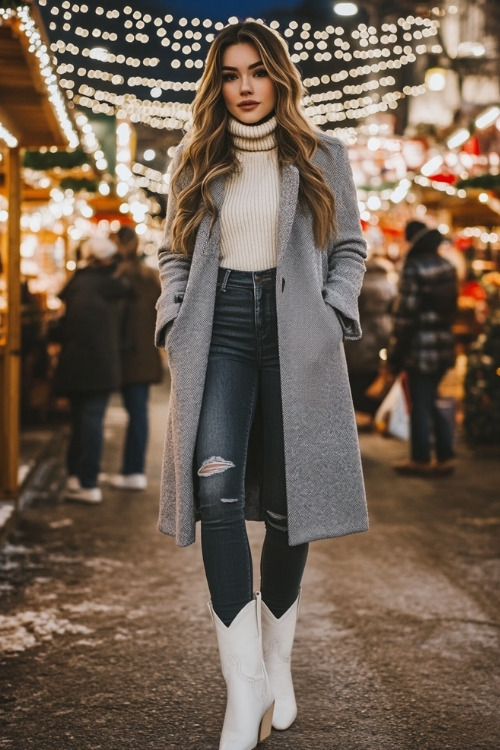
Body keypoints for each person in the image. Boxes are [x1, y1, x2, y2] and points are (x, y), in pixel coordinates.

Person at [155, 21, 368, 750]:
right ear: (216, 84)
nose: (243, 87)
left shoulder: (322, 155)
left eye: (256, 72)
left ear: (279, 76)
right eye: (229, 74)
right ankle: (242, 685)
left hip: (296, 338)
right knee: (215, 492)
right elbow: (173, 251)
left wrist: (333, 313)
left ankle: (278, 663)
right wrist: (172, 313)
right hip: (220, 339)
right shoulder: (194, 157)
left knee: (288, 504)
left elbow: (349, 246)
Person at [54, 237, 129, 504]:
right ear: (105, 260)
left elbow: (65, 325)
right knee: (91, 421)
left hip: (76, 362)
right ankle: (87, 481)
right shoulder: (114, 286)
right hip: (101, 363)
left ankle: (78, 477)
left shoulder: (78, 284)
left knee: (80, 422)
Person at [387, 220, 458, 477]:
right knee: (430, 399)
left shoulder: (413, 268)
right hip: (443, 346)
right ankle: (445, 454)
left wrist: (395, 354)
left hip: (420, 348)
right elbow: (452, 310)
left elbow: (406, 315)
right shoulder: (447, 267)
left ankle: (421, 458)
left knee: (420, 403)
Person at [106, 225, 163, 491]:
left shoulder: (117, 277)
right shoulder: (151, 277)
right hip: (144, 355)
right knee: (138, 413)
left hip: (120, 355)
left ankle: (122, 472)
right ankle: (133, 470)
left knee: (96, 414)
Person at [344, 250, 397, 427]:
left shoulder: (360, 282)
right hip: (383, 331)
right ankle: (374, 413)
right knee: (376, 373)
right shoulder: (389, 284)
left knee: (358, 374)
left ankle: (360, 413)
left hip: (360, 333)